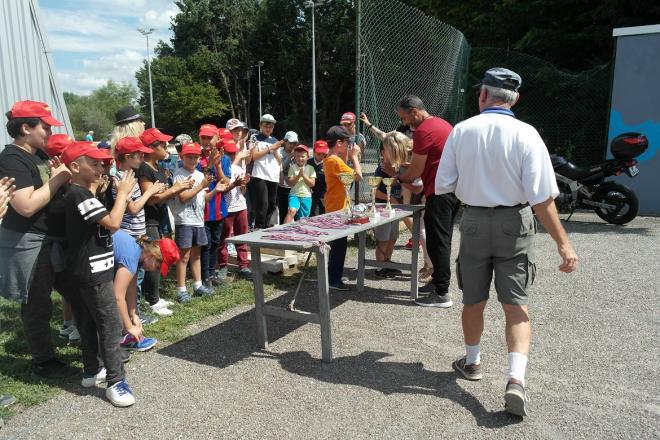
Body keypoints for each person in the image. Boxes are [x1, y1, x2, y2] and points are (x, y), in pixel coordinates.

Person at [436, 67, 579, 417]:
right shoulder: (527, 133)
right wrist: (564, 243)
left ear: (483, 95)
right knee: (516, 305)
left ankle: (473, 363)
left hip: (472, 220)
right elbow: (542, 197)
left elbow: (443, 184)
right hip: (514, 222)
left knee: (474, 298)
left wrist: (477, 186)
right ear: (516, 98)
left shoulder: (462, 131)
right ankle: (515, 380)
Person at [0, 100, 80, 380]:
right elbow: (26, 205)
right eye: (44, 127)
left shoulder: (39, 155)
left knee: (78, 291)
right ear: (25, 128)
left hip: (51, 239)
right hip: (30, 242)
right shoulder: (13, 158)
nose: (48, 132)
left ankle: (89, 344)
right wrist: (57, 181)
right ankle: (43, 363)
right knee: (37, 303)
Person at [60, 141, 137, 407]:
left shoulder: (80, 193)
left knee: (89, 324)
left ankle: (92, 371)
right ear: (74, 166)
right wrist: (123, 194)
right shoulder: (77, 194)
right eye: (92, 163)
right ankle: (116, 382)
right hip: (94, 272)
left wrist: (99, 190)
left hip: (87, 270)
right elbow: (114, 224)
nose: (100, 167)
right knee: (110, 325)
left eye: (102, 163)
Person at [396, 95, 460, 308]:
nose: (404, 123)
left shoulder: (423, 131)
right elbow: (427, 161)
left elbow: (416, 170)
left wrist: (397, 177)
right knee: (437, 240)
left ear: (414, 111)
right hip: (449, 190)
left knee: (439, 241)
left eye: (404, 118)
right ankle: (436, 283)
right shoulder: (442, 124)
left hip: (440, 192)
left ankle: (442, 293)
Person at [138, 128, 194, 316]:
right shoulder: (144, 169)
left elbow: (162, 195)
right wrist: (175, 189)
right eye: (162, 144)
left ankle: (154, 295)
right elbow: (151, 199)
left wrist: (181, 188)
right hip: (149, 220)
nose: (166, 147)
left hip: (160, 218)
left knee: (159, 256)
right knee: (151, 260)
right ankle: (152, 300)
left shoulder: (159, 167)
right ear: (151, 148)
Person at [113, 230, 178, 352]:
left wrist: (134, 314)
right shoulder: (132, 256)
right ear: (152, 257)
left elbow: (131, 288)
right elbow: (117, 296)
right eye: (158, 267)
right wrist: (129, 327)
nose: (155, 270)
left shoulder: (139, 253)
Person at [382, 130, 433, 282]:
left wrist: (394, 174)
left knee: (422, 232)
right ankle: (428, 264)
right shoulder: (407, 154)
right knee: (421, 231)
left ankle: (431, 266)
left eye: (389, 151)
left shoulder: (415, 153)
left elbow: (417, 188)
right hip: (415, 199)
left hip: (427, 197)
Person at [171, 142, 219, 301]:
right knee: (183, 256)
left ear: (199, 158)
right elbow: (183, 197)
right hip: (184, 221)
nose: (192, 160)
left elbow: (204, 197)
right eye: (189, 157)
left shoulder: (199, 175)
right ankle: (181, 289)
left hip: (198, 221)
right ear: (182, 157)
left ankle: (198, 285)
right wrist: (201, 186)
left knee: (196, 255)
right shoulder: (179, 174)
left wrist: (215, 190)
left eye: (195, 157)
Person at [323, 126, 363, 290]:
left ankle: (335, 276)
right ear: (339, 142)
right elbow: (358, 176)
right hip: (337, 209)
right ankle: (333, 280)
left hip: (338, 207)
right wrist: (355, 157)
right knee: (338, 246)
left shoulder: (333, 159)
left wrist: (348, 155)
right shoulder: (334, 161)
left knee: (339, 246)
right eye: (347, 142)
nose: (349, 145)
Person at [217, 139, 252, 280]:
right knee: (224, 238)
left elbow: (243, 192)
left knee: (242, 236)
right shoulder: (219, 169)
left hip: (240, 206)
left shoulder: (238, 169)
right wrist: (235, 184)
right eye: (229, 153)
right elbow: (222, 190)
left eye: (234, 153)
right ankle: (223, 265)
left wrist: (244, 184)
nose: (231, 156)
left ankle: (243, 265)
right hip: (227, 207)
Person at [248, 114, 282, 229]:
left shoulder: (275, 140)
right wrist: (270, 148)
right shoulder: (254, 137)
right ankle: (258, 226)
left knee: (272, 205)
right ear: (260, 126)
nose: (268, 129)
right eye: (266, 126)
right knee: (263, 203)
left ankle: (265, 227)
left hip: (273, 176)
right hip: (259, 175)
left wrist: (276, 150)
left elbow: (279, 160)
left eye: (271, 126)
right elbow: (254, 156)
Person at [284, 144, 316, 223]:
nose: (300, 158)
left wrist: (304, 176)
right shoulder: (292, 167)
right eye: (298, 156)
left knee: (303, 219)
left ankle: (300, 233)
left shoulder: (311, 168)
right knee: (291, 211)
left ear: (307, 157)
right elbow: (290, 183)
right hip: (294, 195)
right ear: (294, 157)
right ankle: (283, 231)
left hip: (306, 196)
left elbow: (312, 184)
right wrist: (298, 176)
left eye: (302, 156)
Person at [277, 131, 299, 224]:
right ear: (285, 141)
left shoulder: (298, 152)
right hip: (282, 186)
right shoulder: (279, 151)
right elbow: (282, 167)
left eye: (295, 144)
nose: (293, 146)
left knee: (296, 212)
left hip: (294, 186)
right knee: (283, 212)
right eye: (291, 143)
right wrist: (290, 157)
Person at [307, 140, 328, 216]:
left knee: (324, 214)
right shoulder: (308, 163)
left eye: (324, 154)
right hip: (311, 194)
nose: (321, 156)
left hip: (324, 195)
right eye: (319, 154)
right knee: (312, 214)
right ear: (314, 152)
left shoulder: (328, 163)